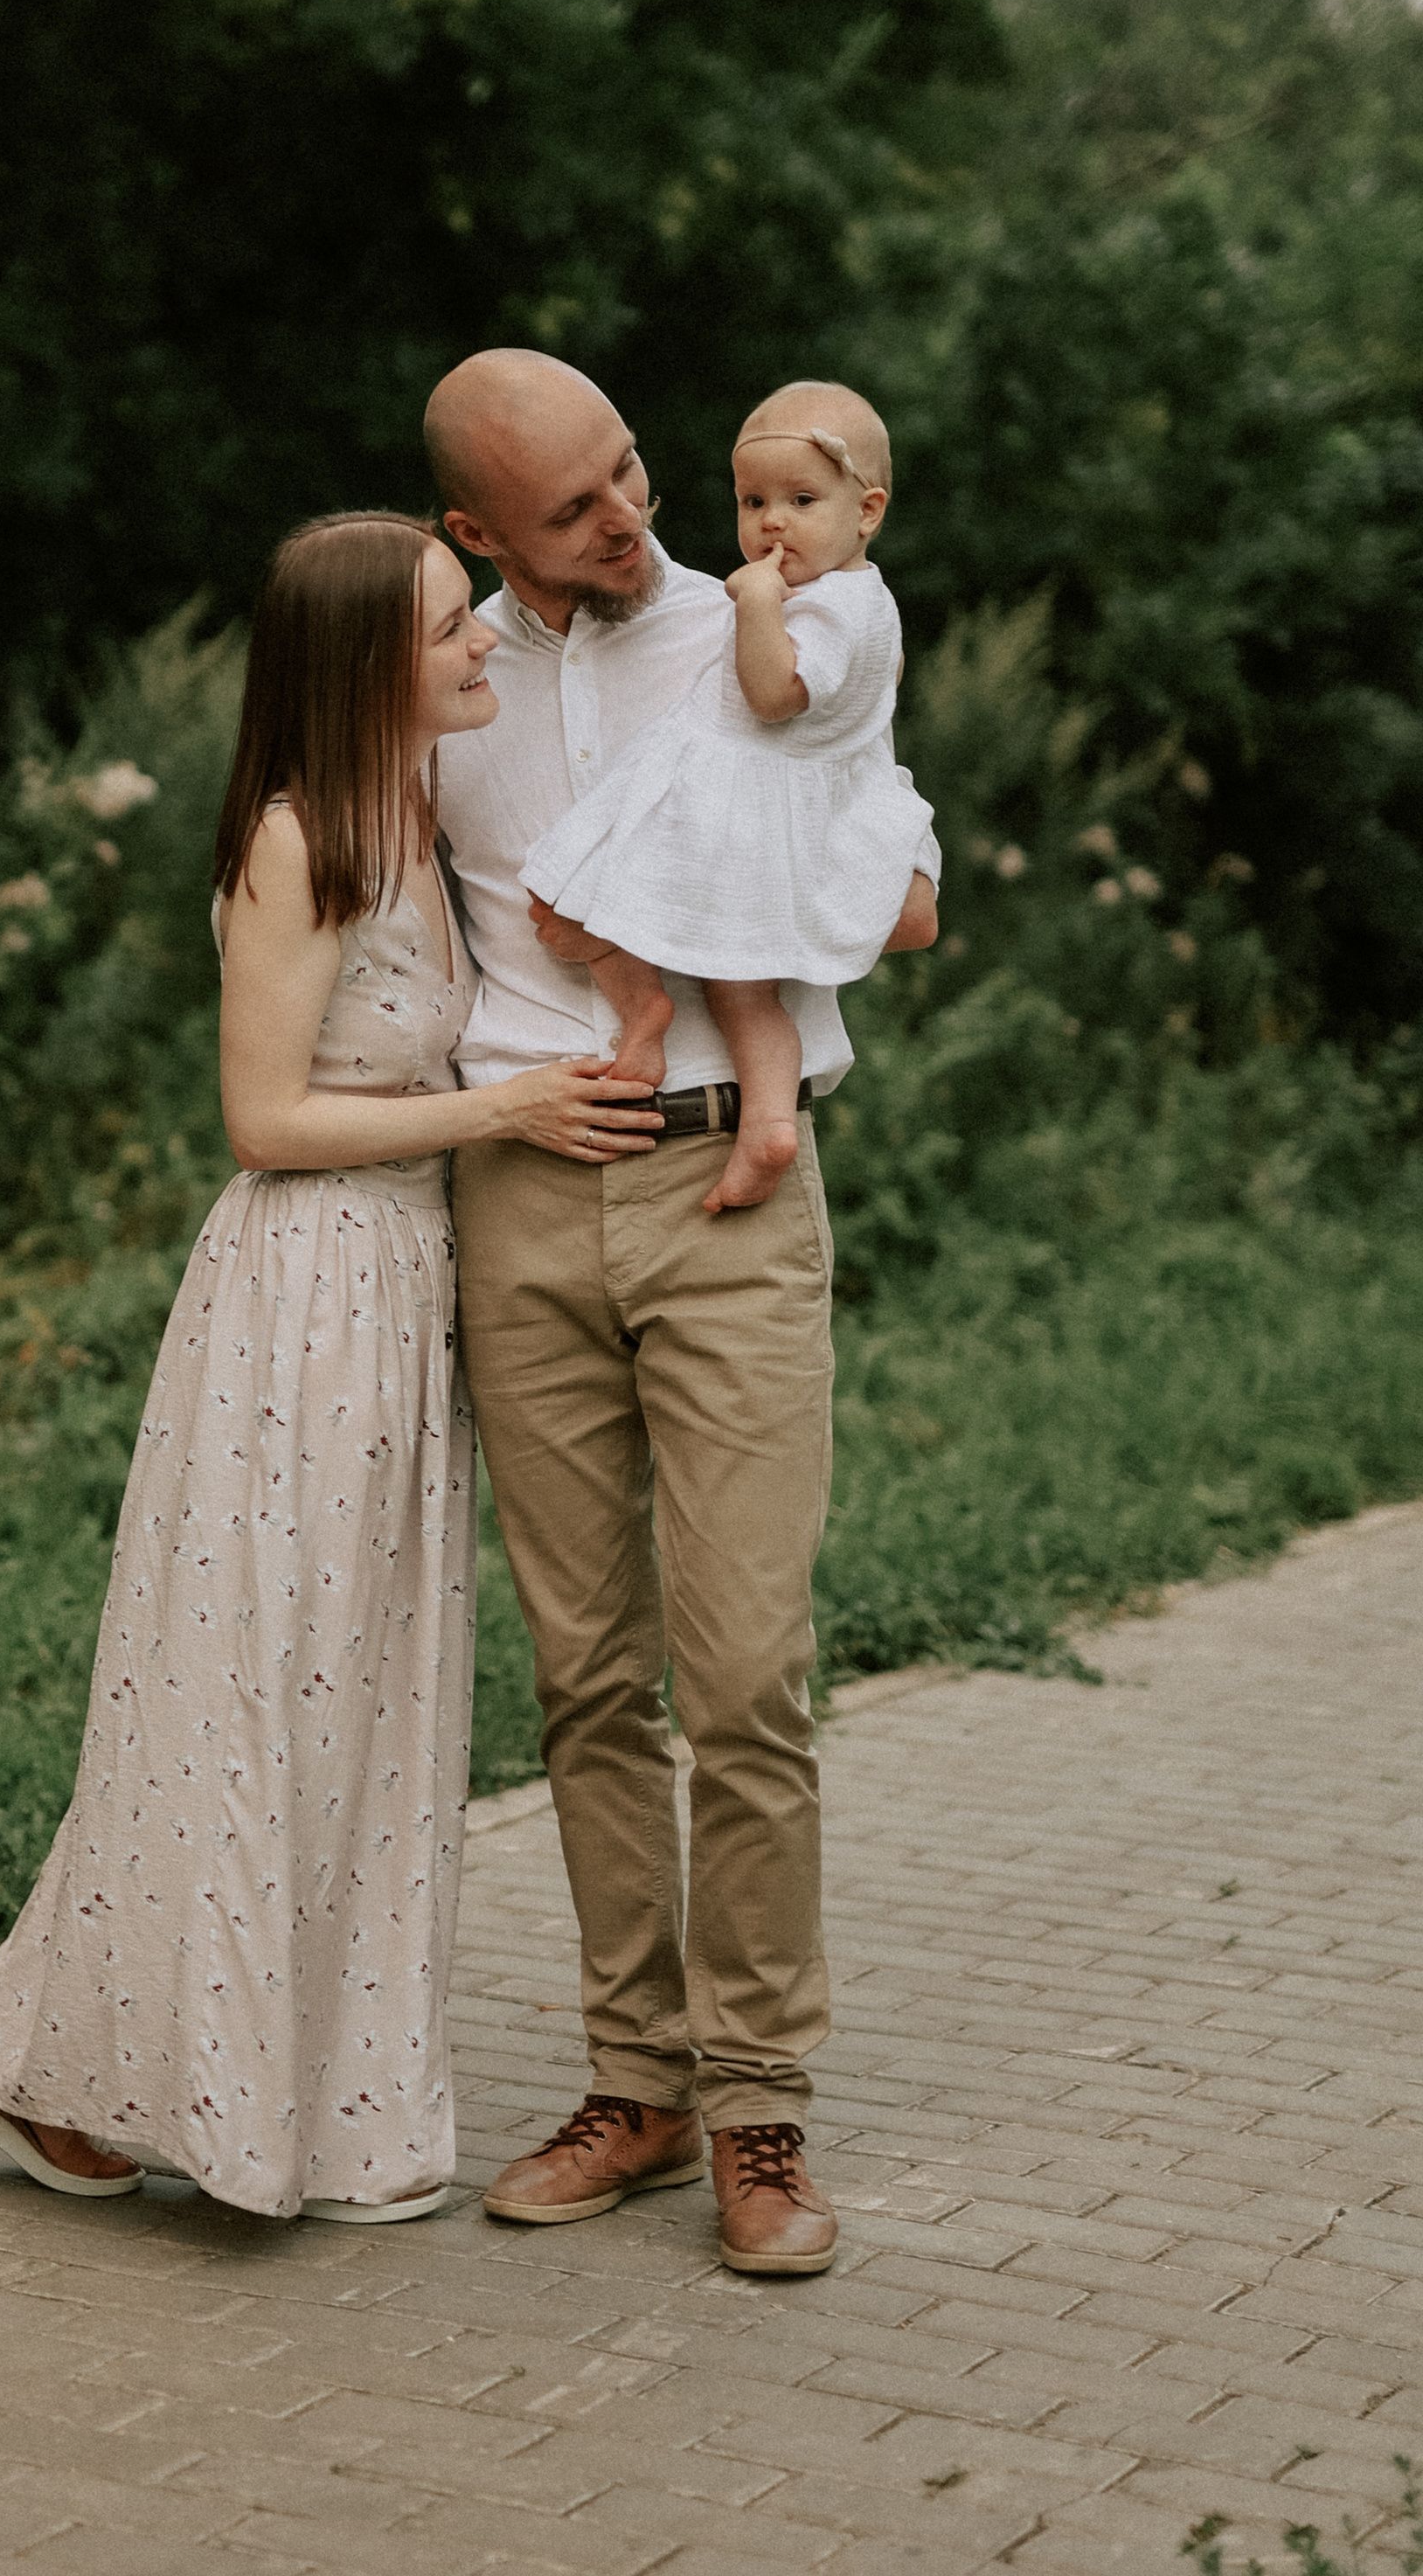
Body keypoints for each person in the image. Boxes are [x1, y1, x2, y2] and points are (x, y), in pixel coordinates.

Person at [0, 510, 659, 2224]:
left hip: (403, 1288)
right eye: (446, 624)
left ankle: (312, 2105)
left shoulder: (417, 814)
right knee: (260, 1691)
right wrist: (504, 1109)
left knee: (368, 1705)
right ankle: (114, 2078)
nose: (481, 638)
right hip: (305, 1297)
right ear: (363, 665)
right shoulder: (296, 837)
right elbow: (260, 1119)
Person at [424, 351, 938, 2278]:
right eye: (574, 509)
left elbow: (908, 877)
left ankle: (757, 2108)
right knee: (584, 1679)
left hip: (729, 1185)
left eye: (632, 470)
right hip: (519, 1200)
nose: (630, 519)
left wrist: (810, 886)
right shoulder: (440, 682)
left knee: (744, 1675)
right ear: (479, 530)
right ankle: (632, 2087)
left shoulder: (764, 624)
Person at [521, 380, 934, 1213]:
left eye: (801, 500)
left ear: (868, 512)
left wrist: (756, 603)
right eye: (753, 502)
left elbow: (772, 695)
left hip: (740, 806)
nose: (771, 523)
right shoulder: (862, 603)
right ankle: (769, 1124)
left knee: (564, 900)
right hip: (765, 801)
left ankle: (644, 1012)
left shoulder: (832, 608)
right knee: (741, 994)